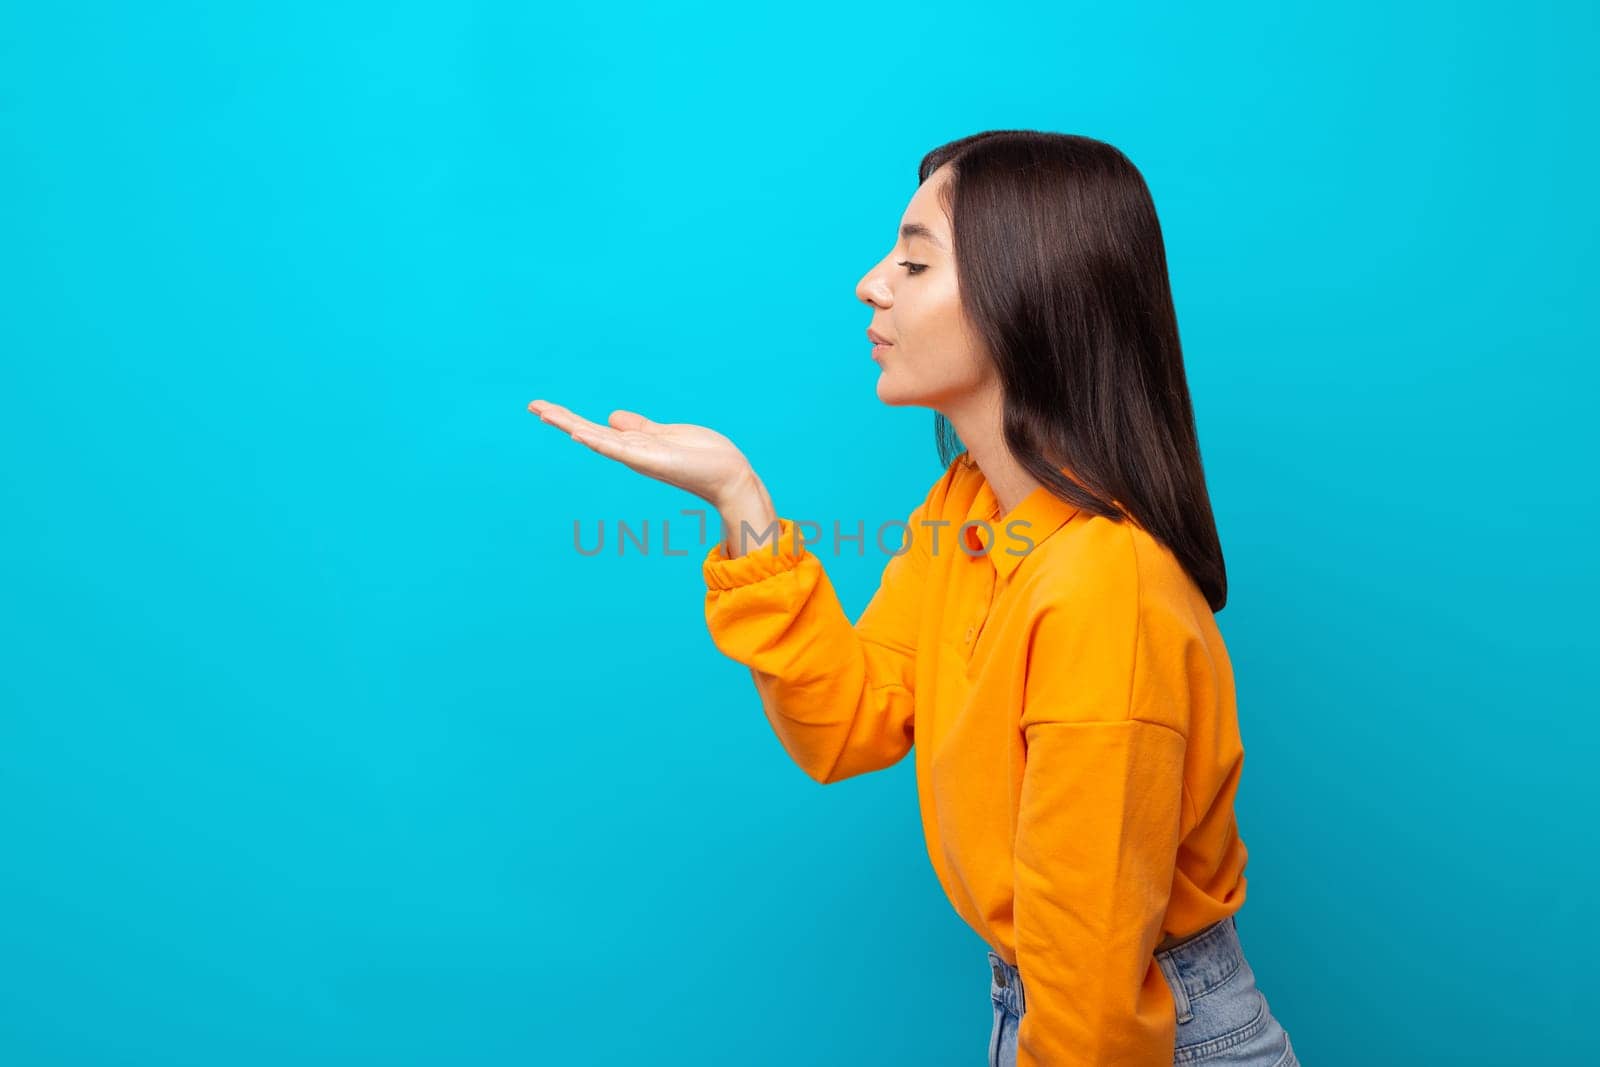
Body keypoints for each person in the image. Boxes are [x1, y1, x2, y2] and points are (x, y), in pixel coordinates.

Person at [528, 129, 1299, 1067]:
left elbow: (1092, 988)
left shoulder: (1106, 593)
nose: (871, 283)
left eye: (915, 260)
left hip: (1143, 1029)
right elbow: (848, 722)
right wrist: (742, 500)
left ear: (1029, 294)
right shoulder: (969, 506)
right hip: (1048, 1008)